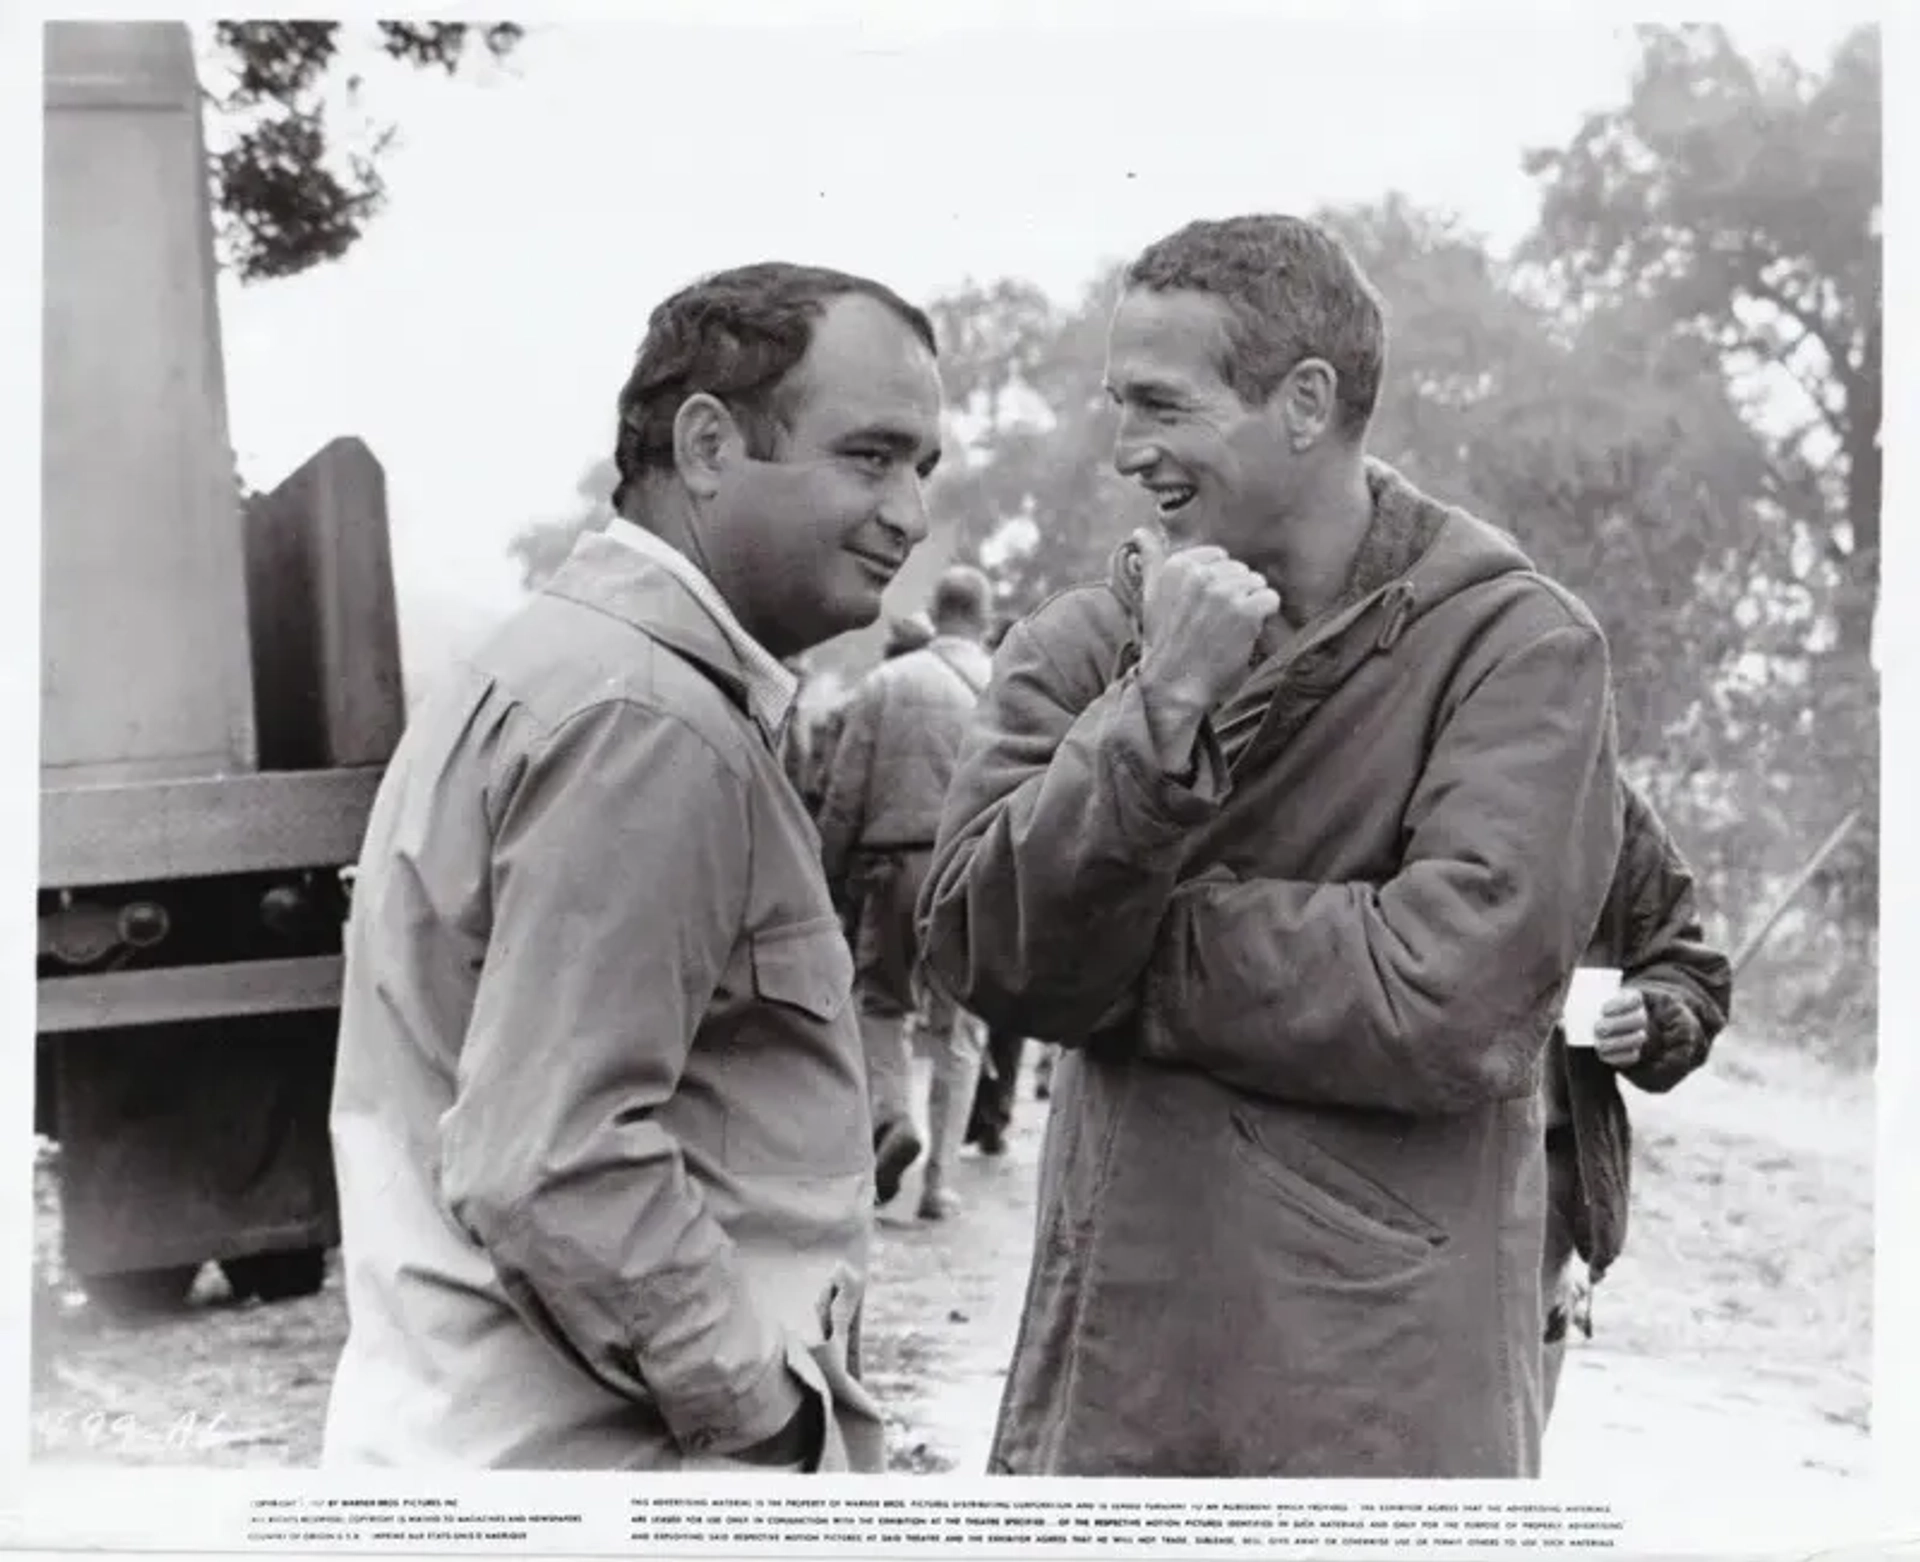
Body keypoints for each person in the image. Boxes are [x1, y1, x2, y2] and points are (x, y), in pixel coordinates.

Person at [919, 214, 1622, 1478]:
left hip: (1382, 1405)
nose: (1128, 451)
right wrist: (1154, 718)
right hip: (1111, 1398)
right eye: (1118, 404)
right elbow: (983, 950)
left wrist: (1131, 947)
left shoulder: (1516, 649)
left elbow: (1447, 998)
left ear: (1305, 402)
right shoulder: (1088, 648)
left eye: (1161, 406)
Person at [322, 261, 944, 1470]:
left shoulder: (569, 665)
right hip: (610, 1471)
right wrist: (767, 1417)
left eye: (923, 469)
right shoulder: (648, 718)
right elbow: (550, 1157)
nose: (910, 514)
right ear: (706, 442)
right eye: (870, 456)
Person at [1543, 778, 1733, 1420]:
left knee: (1498, 1453)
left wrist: (1654, 1020)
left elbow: (1687, 970)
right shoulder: (1399, 751)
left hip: (1544, 1186)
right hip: (1388, 1176)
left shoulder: (1607, 802)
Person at [817, 567, 996, 1218]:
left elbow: (844, 795)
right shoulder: (1006, 687)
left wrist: (827, 883)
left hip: (891, 868)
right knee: (961, 1027)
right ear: (984, 616)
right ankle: (941, 1184)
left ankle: (894, 1116)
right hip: (971, 873)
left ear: (934, 612)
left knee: (882, 1003)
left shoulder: (886, 683)